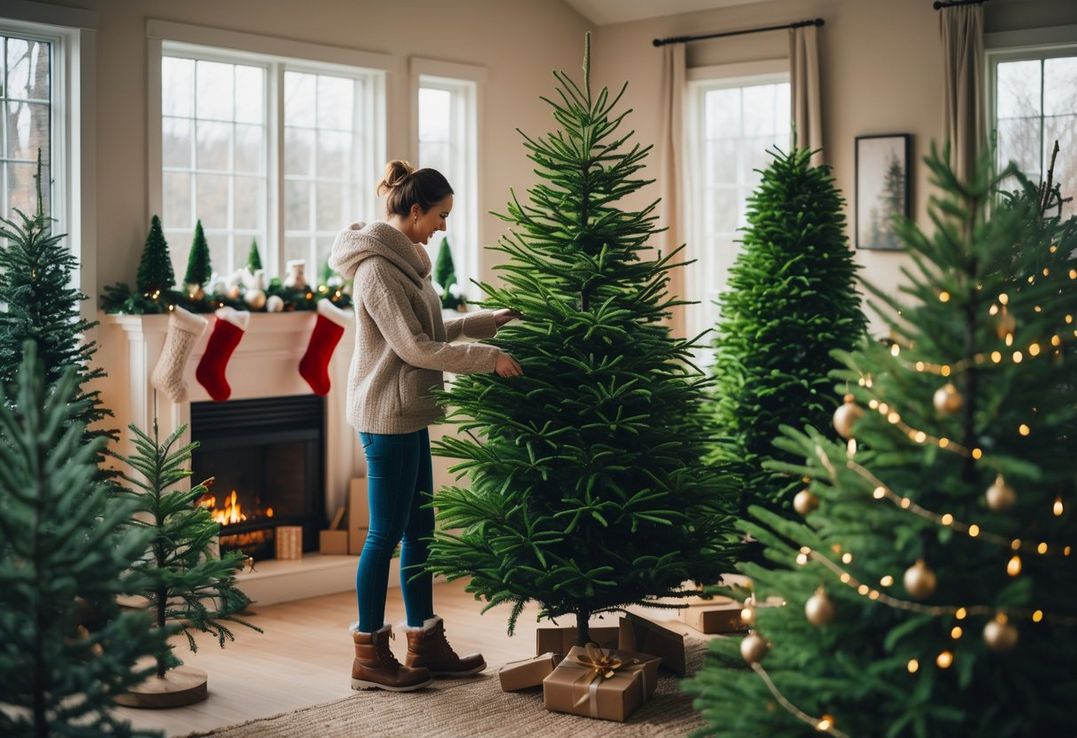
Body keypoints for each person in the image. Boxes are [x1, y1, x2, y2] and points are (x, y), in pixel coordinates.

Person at [329, 160, 523, 692]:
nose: (443, 226)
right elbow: (414, 348)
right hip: (384, 415)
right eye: (440, 216)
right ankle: (369, 653)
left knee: (421, 532)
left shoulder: (407, 262)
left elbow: (430, 328)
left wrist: (488, 320)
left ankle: (425, 642)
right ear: (414, 211)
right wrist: (487, 356)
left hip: (408, 409)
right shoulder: (376, 270)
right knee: (384, 535)